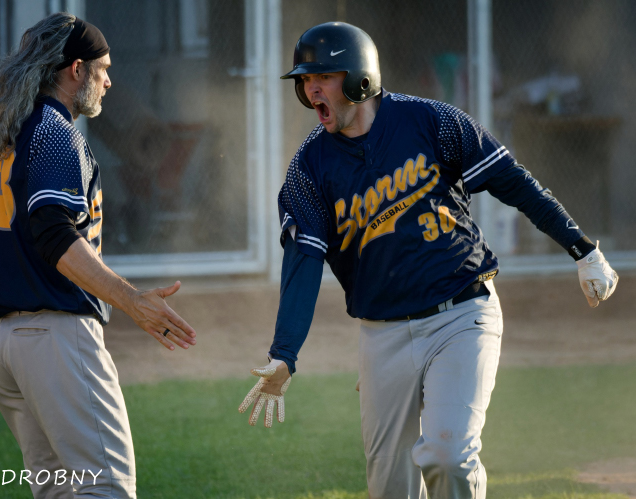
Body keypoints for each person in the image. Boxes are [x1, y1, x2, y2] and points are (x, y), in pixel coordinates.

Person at [239, 22, 618, 499]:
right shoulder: (309, 168)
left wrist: (583, 249)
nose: (311, 88)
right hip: (383, 334)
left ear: (359, 77)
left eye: (324, 77)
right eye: (304, 80)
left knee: (447, 455)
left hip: (461, 312)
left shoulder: (431, 121)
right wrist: (284, 354)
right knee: (389, 487)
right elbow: (303, 264)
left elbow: (515, 183)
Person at [0, 13, 197, 498]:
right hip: (55, 341)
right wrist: (131, 299)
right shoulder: (53, 131)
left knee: (57, 491)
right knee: (106, 488)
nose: (110, 81)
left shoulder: (4, 138)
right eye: (104, 69)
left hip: (4, 344)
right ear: (76, 69)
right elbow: (54, 234)